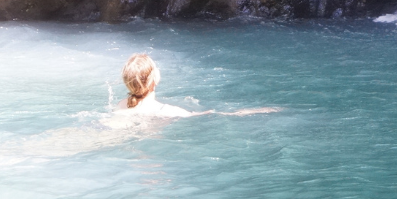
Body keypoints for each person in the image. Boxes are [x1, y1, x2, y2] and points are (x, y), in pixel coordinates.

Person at [116, 53, 277, 119]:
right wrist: (251, 111)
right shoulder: (168, 111)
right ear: (154, 80)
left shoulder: (121, 106)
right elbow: (214, 114)